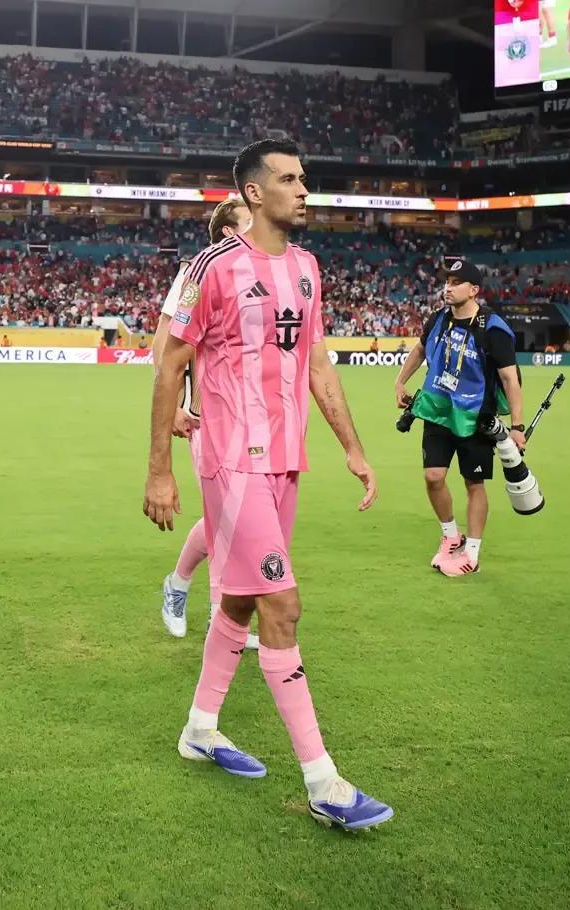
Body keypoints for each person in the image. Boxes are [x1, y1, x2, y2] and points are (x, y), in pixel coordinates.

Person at [144, 139, 391, 830]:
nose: (303, 189)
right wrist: (160, 469)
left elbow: (318, 363)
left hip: (286, 460)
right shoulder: (211, 267)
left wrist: (353, 448)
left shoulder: (308, 268)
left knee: (242, 603)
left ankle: (200, 728)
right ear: (254, 193)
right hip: (231, 460)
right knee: (282, 604)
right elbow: (169, 365)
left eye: (303, 178)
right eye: (288, 179)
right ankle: (323, 781)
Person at [151, 197, 257, 649]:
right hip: (208, 418)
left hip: (255, 420)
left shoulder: (270, 272)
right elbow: (165, 346)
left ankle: (180, 586)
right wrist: (175, 405)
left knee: (235, 519)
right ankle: (218, 617)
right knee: (227, 518)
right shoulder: (196, 273)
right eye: (250, 220)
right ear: (229, 232)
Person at [393, 259, 526, 577]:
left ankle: (472, 553)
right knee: (433, 477)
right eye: (446, 282)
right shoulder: (438, 319)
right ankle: (451, 535)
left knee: (473, 483)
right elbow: (420, 349)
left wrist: (517, 427)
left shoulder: (493, 328)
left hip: (475, 417)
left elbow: (510, 379)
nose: (447, 288)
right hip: (437, 410)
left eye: (455, 283)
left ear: (474, 289)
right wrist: (400, 381)